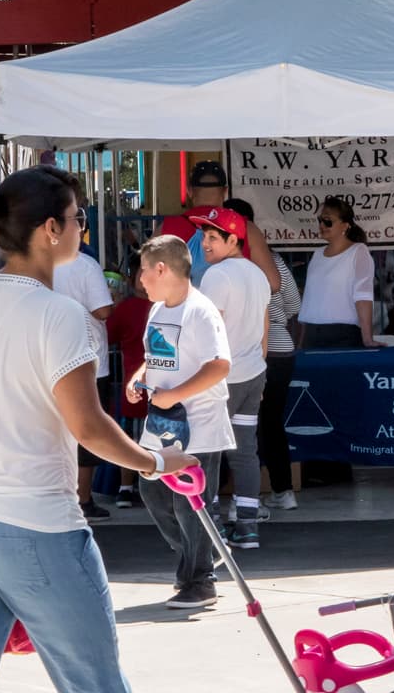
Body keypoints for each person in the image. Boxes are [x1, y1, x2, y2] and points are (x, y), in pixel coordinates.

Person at [0, 166, 195, 692]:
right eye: (78, 219)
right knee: (95, 683)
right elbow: (88, 426)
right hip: (37, 527)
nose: (80, 230)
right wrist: (158, 463)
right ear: (51, 228)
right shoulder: (61, 315)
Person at [126, 234, 234, 608]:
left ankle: (201, 578)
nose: (140, 280)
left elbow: (220, 364)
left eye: (143, 271)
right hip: (162, 422)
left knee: (191, 502)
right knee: (153, 491)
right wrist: (140, 376)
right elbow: (156, 355)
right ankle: (196, 558)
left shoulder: (199, 310)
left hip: (198, 423)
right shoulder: (158, 309)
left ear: (161, 269)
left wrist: (174, 394)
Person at [193, 207, 271, 548]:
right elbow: (264, 329)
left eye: (213, 237)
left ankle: (213, 531)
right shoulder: (257, 274)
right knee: (245, 451)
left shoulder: (217, 276)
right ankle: (248, 528)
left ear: (232, 240)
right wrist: (259, 367)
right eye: (204, 236)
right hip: (253, 373)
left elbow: (209, 332)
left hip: (220, 378)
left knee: (207, 453)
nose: (205, 244)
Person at [226, 198, 302, 512]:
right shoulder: (275, 262)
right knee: (270, 422)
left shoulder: (223, 268)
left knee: (241, 425)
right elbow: (296, 307)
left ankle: (246, 498)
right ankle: (283, 491)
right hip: (282, 350)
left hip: (244, 352)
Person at [53, 206, 116, 521]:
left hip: (50, 360)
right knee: (89, 430)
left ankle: (59, 497)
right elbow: (103, 311)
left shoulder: (40, 263)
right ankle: (83, 498)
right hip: (89, 360)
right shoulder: (86, 265)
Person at [160, 160, 280, 292]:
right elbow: (273, 283)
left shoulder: (166, 229)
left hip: (185, 311)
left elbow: (142, 283)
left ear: (189, 191)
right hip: (235, 311)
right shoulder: (247, 229)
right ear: (225, 191)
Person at [105, 253, 153, 509]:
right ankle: (151, 487)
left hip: (132, 385)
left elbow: (107, 335)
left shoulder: (126, 309)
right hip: (163, 388)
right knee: (156, 440)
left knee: (129, 440)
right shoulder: (168, 306)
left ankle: (125, 488)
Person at [300, 196, 378, 348]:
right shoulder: (317, 254)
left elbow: (363, 296)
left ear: (345, 225)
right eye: (320, 221)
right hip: (312, 334)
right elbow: (309, 300)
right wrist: (301, 342)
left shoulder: (358, 251)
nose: (322, 225)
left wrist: (367, 339)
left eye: (328, 221)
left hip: (343, 335)